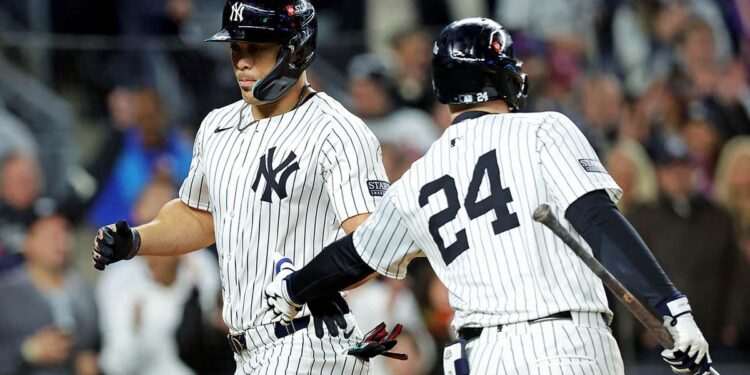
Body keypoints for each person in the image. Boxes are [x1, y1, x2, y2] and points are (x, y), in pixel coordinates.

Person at [264, 18, 716, 374]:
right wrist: (673, 309)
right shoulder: (544, 128)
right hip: (566, 346)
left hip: (483, 358)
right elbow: (597, 221)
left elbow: (352, 257)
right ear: (503, 75)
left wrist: (292, 288)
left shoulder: (418, 177)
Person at [92, 1, 389, 374]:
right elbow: (200, 215)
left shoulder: (338, 131)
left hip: (310, 342)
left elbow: (376, 241)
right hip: (248, 350)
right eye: (236, 48)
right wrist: (137, 240)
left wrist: (318, 283)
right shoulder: (217, 125)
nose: (241, 62)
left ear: (295, 50)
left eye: (255, 49)